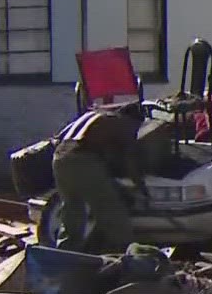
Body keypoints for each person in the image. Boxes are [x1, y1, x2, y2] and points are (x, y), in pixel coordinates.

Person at [51, 101, 147, 253]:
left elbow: (57, 138)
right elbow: (129, 159)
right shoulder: (125, 123)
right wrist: (140, 186)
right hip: (83, 159)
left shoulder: (93, 115)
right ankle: (123, 252)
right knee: (110, 207)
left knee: (72, 206)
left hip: (59, 158)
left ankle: (66, 250)